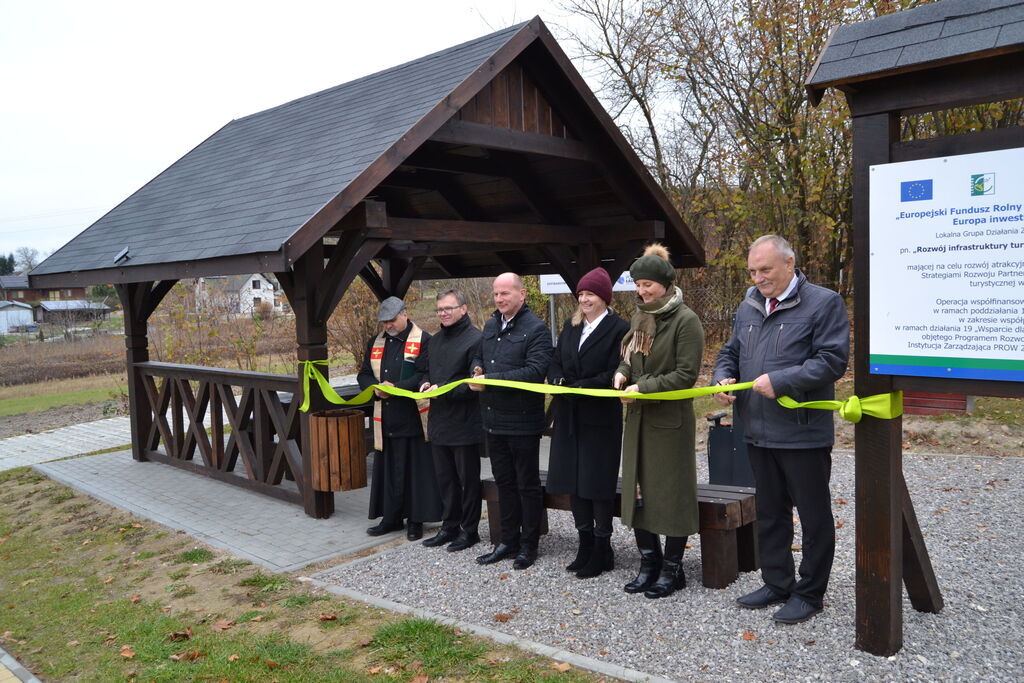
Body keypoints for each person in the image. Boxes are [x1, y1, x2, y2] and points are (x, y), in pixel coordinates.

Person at [712, 234, 849, 625]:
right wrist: (723, 377)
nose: (758, 278)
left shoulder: (824, 303)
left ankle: (809, 593)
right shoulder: (748, 306)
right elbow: (730, 353)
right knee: (770, 512)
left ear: (790, 264)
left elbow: (832, 360)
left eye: (765, 270)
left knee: (813, 515)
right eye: (753, 271)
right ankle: (776, 581)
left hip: (802, 432)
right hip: (756, 428)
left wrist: (782, 380)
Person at [613, 243, 704, 599]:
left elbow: (686, 375)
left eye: (648, 284)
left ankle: (672, 569)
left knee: (671, 495)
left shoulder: (687, 321)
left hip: (669, 424)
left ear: (665, 284)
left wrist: (643, 387)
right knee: (639, 494)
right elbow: (629, 356)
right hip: (637, 421)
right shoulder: (640, 317)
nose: (641, 290)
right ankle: (648, 563)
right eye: (638, 284)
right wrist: (622, 374)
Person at [547, 267, 629, 579]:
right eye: (581, 294)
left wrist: (583, 386)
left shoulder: (620, 328)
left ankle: (602, 547)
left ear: (604, 298)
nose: (583, 299)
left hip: (599, 418)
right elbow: (555, 358)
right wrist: (556, 377)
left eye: (590, 294)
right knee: (574, 483)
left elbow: (615, 370)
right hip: (569, 415)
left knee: (597, 484)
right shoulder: (571, 326)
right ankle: (584, 543)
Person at [469, 272, 553, 570]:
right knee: (504, 483)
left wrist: (489, 380)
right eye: (496, 294)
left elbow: (534, 372)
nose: (500, 299)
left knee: (526, 485)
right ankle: (508, 540)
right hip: (493, 420)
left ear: (522, 294)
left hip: (523, 422)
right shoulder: (491, 325)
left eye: (505, 293)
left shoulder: (537, 329)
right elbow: (477, 355)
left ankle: (529, 545)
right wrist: (477, 367)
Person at [358, 296, 442, 541]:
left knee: (414, 471)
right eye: (384, 322)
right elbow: (363, 373)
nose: (388, 326)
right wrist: (374, 387)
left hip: (412, 417)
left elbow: (424, 373)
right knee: (388, 471)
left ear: (405, 314)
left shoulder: (424, 340)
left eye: (392, 320)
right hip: (385, 418)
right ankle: (391, 517)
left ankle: (416, 519)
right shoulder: (375, 342)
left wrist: (395, 388)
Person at [418, 289, 484, 552]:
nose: (443, 313)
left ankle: (470, 531)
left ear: (463, 309)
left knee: (467, 481)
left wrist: (442, 388)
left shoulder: (476, 339)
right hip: (439, 421)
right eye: (440, 309)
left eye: (448, 308)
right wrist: (424, 383)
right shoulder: (433, 341)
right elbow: (424, 371)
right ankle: (449, 526)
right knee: (445, 479)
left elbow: (473, 382)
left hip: (465, 422)